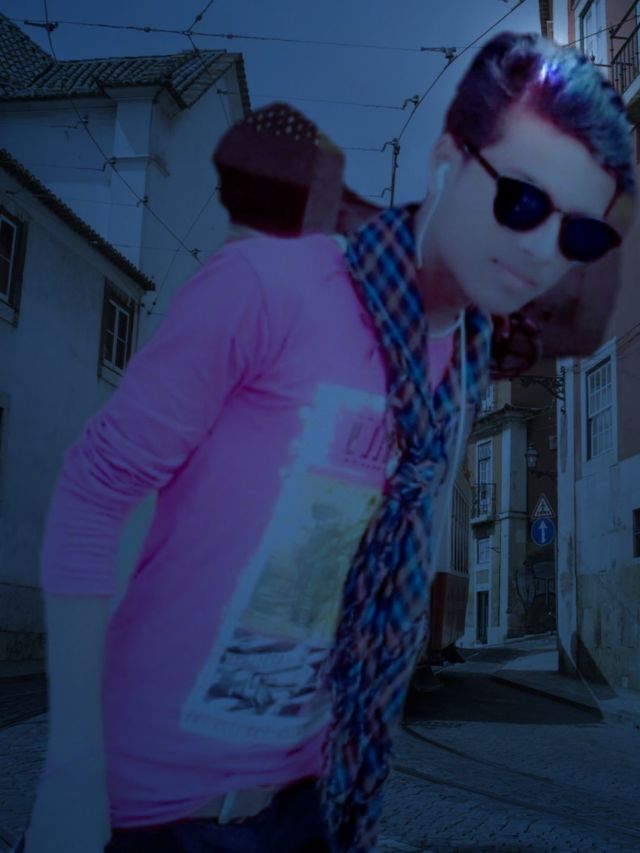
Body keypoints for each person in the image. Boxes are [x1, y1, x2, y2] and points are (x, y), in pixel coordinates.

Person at [21, 30, 636, 853]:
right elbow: (99, 489)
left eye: (580, 235)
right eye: (522, 200)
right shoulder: (269, 287)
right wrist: (72, 769)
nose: (541, 250)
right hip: (158, 813)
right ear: (447, 162)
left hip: (320, 807)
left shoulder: (457, 379)